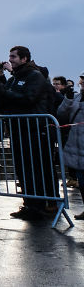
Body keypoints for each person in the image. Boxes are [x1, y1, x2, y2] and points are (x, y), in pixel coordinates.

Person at [0, 46, 59, 219]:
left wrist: (3, 91)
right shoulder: (15, 78)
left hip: (34, 130)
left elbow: (28, 99)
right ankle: (29, 204)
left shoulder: (34, 76)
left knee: (37, 169)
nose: (10, 59)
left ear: (24, 59)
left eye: (13, 56)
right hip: (18, 129)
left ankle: (41, 206)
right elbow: (7, 100)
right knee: (23, 170)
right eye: (9, 56)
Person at [58, 73, 84, 220]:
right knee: (82, 181)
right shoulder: (77, 97)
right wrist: (67, 98)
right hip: (76, 144)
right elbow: (62, 113)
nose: (81, 83)